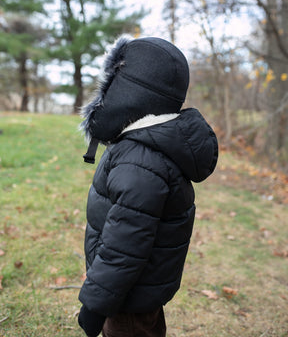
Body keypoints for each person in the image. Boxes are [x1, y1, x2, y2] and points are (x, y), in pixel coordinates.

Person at [78, 36, 218, 337]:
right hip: (140, 290)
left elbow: (125, 245)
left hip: (126, 299)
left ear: (131, 91)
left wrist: (95, 304)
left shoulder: (140, 162)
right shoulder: (145, 145)